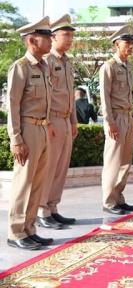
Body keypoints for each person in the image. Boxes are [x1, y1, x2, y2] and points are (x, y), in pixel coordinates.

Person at [6, 16, 54, 250]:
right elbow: (13, 105)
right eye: (46, 37)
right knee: (23, 183)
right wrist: (16, 140)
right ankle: (16, 232)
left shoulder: (44, 67)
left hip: (43, 129)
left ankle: (29, 229)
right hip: (27, 129)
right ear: (32, 40)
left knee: (37, 184)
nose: (51, 40)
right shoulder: (21, 67)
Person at [37, 14, 78, 229]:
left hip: (65, 120)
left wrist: (73, 121)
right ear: (53, 37)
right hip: (51, 119)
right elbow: (43, 96)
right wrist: (47, 122)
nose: (70, 39)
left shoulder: (67, 62)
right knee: (48, 168)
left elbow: (70, 95)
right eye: (66, 35)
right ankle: (41, 209)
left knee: (61, 168)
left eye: (71, 35)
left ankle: (53, 207)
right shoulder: (47, 61)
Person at [99, 25, 133, 215]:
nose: (130, 46)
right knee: (113, 162)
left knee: (125, 162)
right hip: (116, 117)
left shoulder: (128, 66)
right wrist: (110, 122)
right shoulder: (109, 66)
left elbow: (129, 95)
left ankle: (118, 197)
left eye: (132, 43)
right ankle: (108, 201)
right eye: (127, 42)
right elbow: (104, 97)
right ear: (117, 44)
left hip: (127, 116)